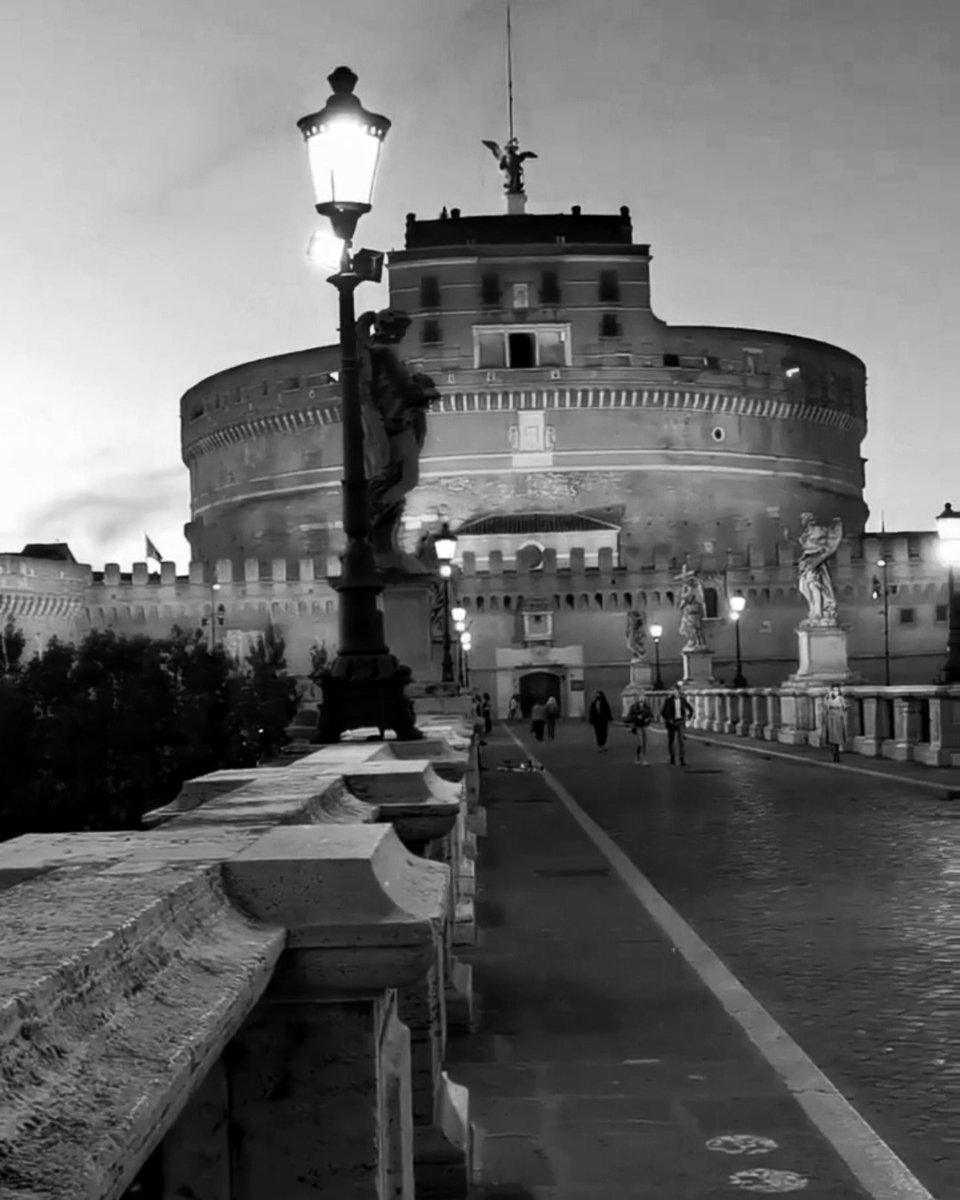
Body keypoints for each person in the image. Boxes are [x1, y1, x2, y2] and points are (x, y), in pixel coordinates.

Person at [660, 684, 694, 766]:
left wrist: (689, 717)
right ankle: (672, 757)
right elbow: (663, 712)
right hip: (672, 722)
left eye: (675, 691)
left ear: (678, 691)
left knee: (681, 741)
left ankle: (682, 758)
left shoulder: (683, 700)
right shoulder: (668, 701)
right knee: (671, 740)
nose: (673, 692)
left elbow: (691, 709)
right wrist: (669, 719)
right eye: (672, 691)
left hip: (680, 721)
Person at [626, 693, 654, 765]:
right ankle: (638, 756)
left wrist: (648, 719)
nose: (641, 699)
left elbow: (651, 716)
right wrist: (636, 717)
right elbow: (629, 716)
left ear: (644, 699)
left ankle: (644, 759)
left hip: (645, 726)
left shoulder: (648, 707)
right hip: (637, 726)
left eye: (642, 698)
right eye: (640, 698)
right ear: (638, 699)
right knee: (640, 743)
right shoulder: (634, 707)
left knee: (645, 743)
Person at [823, 685, 849, 763]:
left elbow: (844, 707)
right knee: (832, 737)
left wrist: (845, 710)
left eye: (837, 690)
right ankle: (835, 754)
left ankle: (837, 754)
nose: (835, 692)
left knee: (838, 737)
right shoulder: (828, 698)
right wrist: (827, 699)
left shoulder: (841, 699)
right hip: (831, 719)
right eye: (834, 690)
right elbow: (826, 708)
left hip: (838, 718)